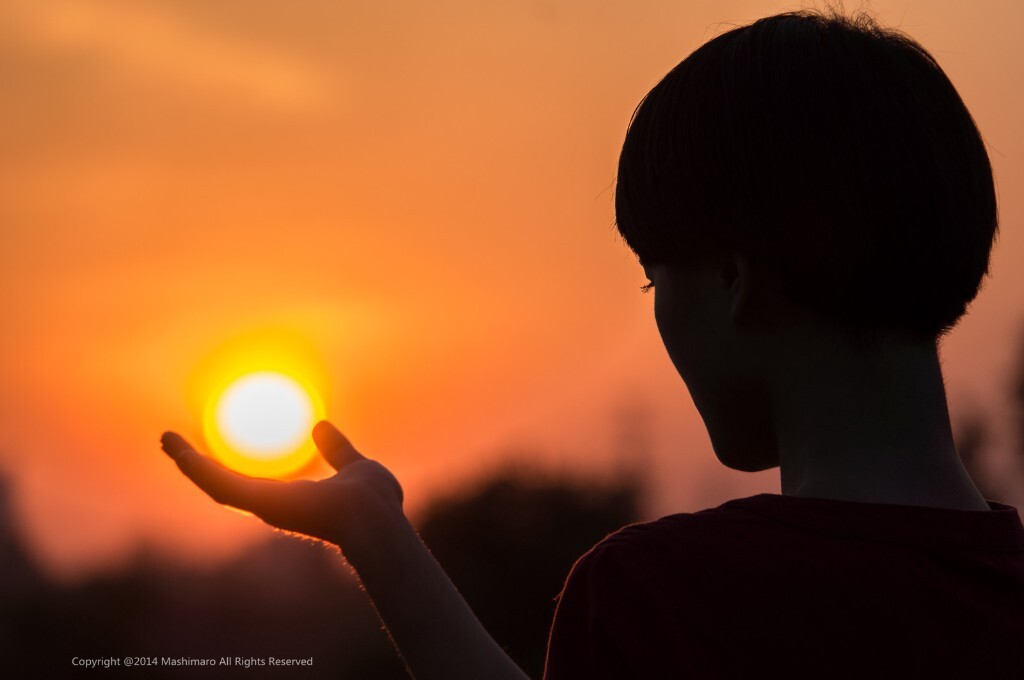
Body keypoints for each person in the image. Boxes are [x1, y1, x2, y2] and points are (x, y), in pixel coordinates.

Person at [159, 8, 1024, 679]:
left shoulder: (665, 599)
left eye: (654, 277)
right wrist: (374, 533)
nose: (657, 313)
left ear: (732, 279)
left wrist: (373, 533)